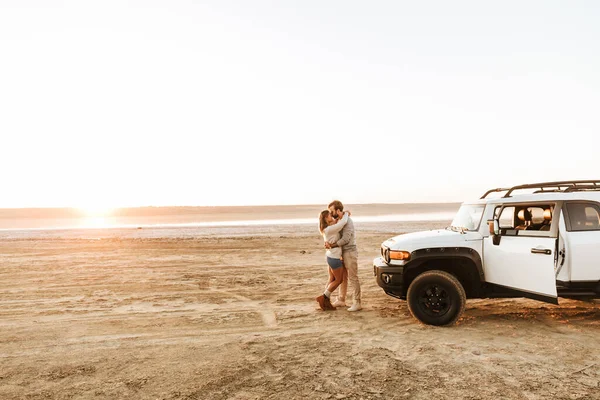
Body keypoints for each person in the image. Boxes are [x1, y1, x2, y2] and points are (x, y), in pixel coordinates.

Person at [325, 200, 362, 311]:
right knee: (343, 277)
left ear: (338, 210)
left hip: (350, 252)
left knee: (353, 277)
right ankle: (341, 299)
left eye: (332, 211)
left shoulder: (348, 222)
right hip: (342, 252)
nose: (330, 214)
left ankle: (357, 302)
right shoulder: (340, 219)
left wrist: (333, 245)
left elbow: (345, 239)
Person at [316, 209, 350, 311]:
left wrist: (337, 219)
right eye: (330, 215)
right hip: (334, 258)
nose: (332, 216)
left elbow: (337, 223)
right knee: (339, 280)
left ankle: (325, 301)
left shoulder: (327, 228)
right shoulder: (329, 229)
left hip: (330, 256)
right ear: (326, 218)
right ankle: (323, 297)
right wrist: (346, 214)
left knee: (332, 279)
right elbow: (343, 222)